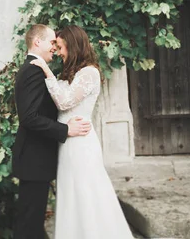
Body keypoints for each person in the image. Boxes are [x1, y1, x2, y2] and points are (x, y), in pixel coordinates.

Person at [30, 25, 133, 239]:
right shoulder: (71, 72)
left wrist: (46, 71)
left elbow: (65, 101)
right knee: (71, 195)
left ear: (72, 44)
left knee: (86, 194)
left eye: (60, 46)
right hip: (67, 142)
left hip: (81, 144)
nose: (58, 51)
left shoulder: (90, 72)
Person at [12, 24, 92, 239]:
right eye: (51, 43)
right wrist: (65, 129)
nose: (54, 49)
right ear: (37, 42)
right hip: (33, 158)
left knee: (33, 222)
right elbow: (29, 118)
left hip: (37, 158)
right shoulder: (33, 71)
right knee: (29, 223)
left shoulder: (36, 69)